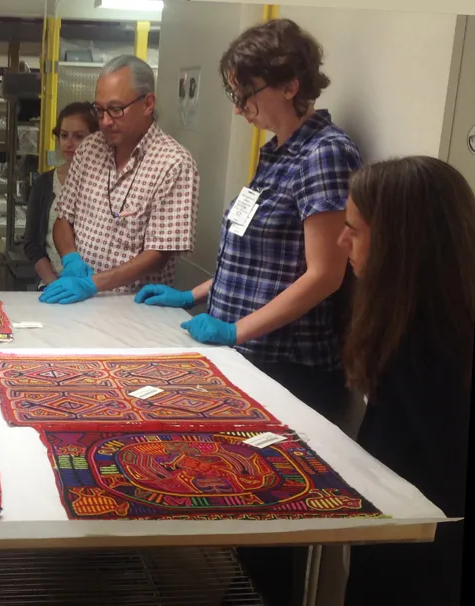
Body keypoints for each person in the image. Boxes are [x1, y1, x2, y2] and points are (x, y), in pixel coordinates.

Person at [136, 19, 361, 425]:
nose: (238, 109)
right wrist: (192, 295)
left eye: (246, 95)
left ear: (290, 86)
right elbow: (257, 263)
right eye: (235, 95)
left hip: (288, 366)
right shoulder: (277, 152)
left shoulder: (323, 153)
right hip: (247, 354)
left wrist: (235, 331)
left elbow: (325, 275)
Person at [338, 156, 473, 606]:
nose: (341, 241)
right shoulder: (408, 317)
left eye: (354, 231)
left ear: (398, 244)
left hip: (422, 551)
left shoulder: (430, 343)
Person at [39, 55, 200, 305]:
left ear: (148, 104)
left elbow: (158, 255)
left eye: (116, 110)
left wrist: (93, 284)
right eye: (99, 110)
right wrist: (71, 259)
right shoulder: (90, 149)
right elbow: (63, 218)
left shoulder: (173, 163)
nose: (105, 121)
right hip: (79, 301)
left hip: (133, 307)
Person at [23, 102, 99, 289]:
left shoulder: (105, 183)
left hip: (95, 285)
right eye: (64, 135)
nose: (69, 143)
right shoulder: (44, 184)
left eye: (79, 136)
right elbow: (32, 243)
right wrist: (54, 284)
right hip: (54, 283)